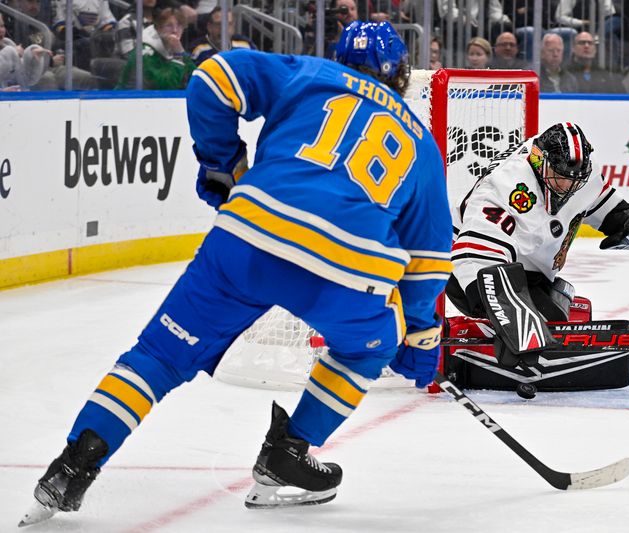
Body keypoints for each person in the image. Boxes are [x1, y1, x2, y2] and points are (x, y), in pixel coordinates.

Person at [19, 20, 452, 526]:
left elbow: (212, 77)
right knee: (364, 349)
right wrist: (420, 335)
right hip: (343, 271)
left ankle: (71, 468)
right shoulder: (421, 144)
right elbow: (427, 261)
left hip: (248, 237)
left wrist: (222, 164)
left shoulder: (309, 73)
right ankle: (288, 453)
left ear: (339, 56)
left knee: (155, 356)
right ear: (402, 74)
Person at [447, 121, 629, 368]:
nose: (568, 186)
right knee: (539, 323)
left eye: (575, 180)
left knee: (559, 317)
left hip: (528, 266)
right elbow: (475, 257)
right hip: (468, 272)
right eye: (561, 178)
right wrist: (510, 319)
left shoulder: (581, 174)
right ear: (538, 160)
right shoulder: (505, 187)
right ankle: (475, 333)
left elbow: (605, 209)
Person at [116, 7, 196, 90]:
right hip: (128, 99)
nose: (175, 30)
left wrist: (181, 53)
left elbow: (196, 77)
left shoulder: (174, 47)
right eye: (169, 26)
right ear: (158, 28)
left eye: (179, 25)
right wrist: (178, 57)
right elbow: (166, 87)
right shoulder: (144, 52)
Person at [190, 6, 255, 65]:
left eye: (228, 24)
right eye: (219, 24)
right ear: (209, 27)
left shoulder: (246, 45)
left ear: (233, 26)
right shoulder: (197, 49)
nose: (224, 29)